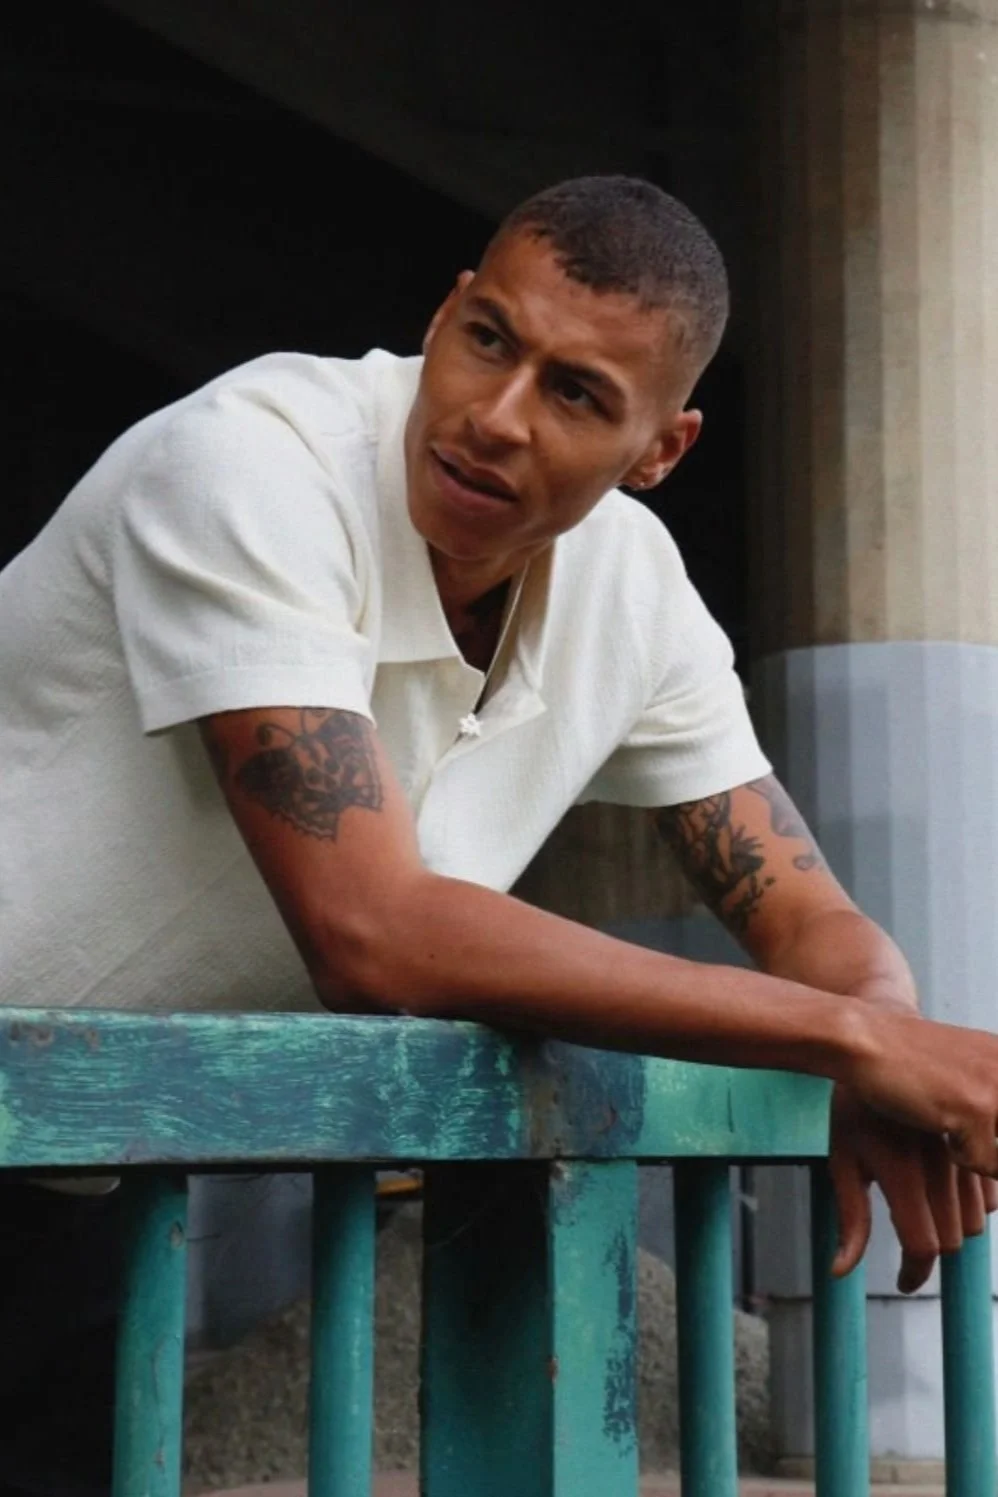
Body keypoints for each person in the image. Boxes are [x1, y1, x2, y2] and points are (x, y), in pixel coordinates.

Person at [2, 174, 998, 1492]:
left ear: (661, 449)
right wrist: (850, 1040)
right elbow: (372, 931)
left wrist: (880, 1024)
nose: (495, 416)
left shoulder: (632, 591)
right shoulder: (254, 460)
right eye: (487, 340)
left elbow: (800, 910)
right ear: (445, 313)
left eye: (576, 394)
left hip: (71, 1172)